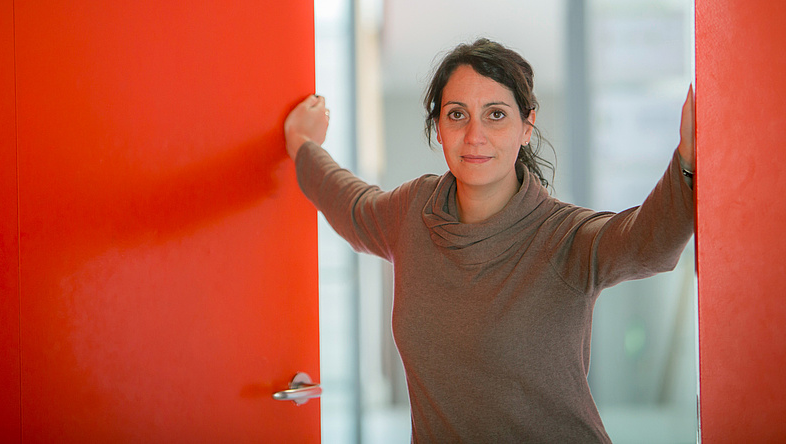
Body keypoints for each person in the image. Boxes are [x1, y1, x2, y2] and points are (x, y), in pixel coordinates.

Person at [284, 38, 695, 443]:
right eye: (457, 115)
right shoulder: (412, 211)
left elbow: (647, 243)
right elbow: (353, 205)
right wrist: (302, 145)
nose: (475, 135)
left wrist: (689, 162)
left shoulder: (565, 237)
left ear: (526, 126)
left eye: (496, 114)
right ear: (438, 129)